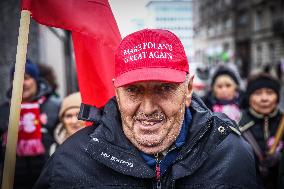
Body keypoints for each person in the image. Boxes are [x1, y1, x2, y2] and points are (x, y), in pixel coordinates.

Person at [34, 29, 260, 189]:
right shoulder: (72, 160)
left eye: (164, 88)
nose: (149, 108)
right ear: (117, 92)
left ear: (188, 89)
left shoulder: (232, 154)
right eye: (133, 90)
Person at [0, 59, 61, 189]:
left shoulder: (54, 108)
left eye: (26, 78)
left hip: (48, 182)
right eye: (16, 79)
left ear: (36, 80)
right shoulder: (4, 112)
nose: (22, 83)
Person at [239, 73, 283, 189]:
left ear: (277, 97)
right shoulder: (238, 125)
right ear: (249, 98)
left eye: (270, 92)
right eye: (258, 93)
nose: (264, 98)